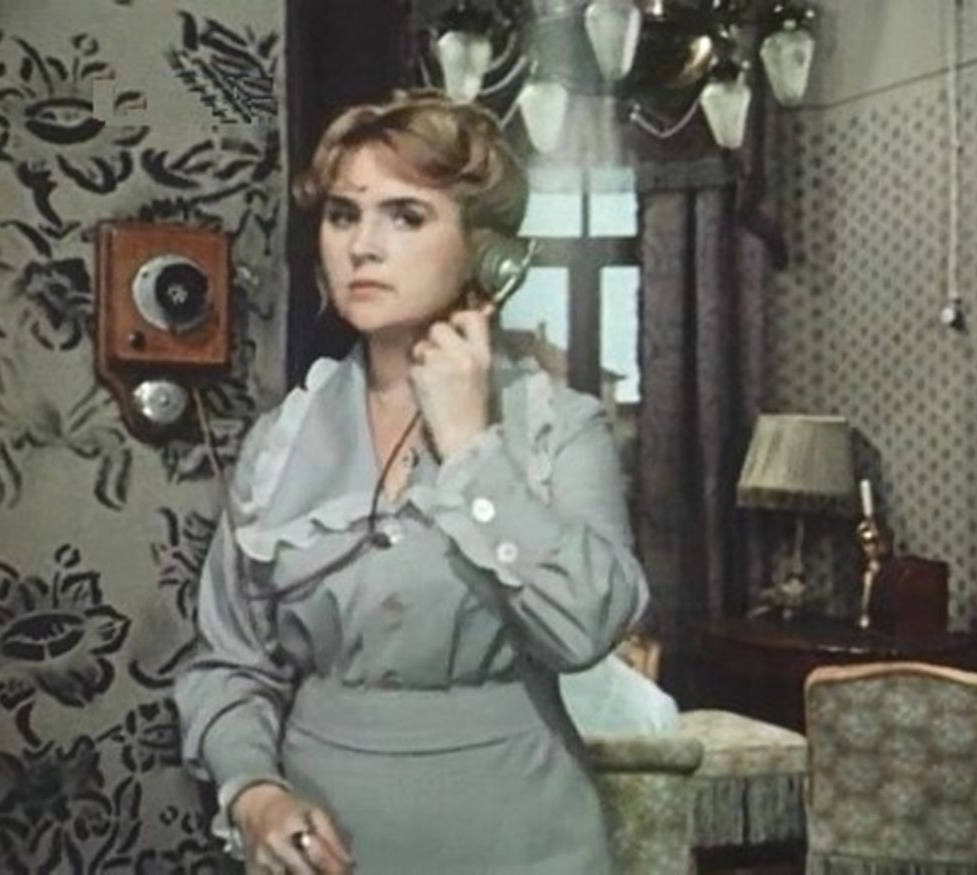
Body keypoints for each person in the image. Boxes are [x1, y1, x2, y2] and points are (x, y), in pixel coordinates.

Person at [174, 89, 649, 874]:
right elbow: (229, 663)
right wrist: (254, 793)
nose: (362, 246)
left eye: (405, 216)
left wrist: (468, 447)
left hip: (523, 836)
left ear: (486, 252)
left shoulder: (559, 427)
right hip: (327, 840)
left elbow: (588, 628)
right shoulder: (280, 444)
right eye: (343, 215)